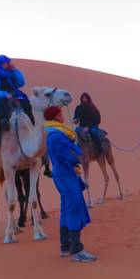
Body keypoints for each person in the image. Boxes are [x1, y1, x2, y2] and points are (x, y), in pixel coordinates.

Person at [43, 106, 96, 262]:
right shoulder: (56, 136)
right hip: (65, 175)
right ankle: (76, 249)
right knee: (73, 207)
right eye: (59, 115)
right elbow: (70, 155)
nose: (62, 117)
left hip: (65, 175)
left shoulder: (56, 133)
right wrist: (78, 157)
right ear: (54, 118)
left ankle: (65, 246)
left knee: (66, 209)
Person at [0, 55, 51, 176]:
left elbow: (21, 82)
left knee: (28, 106)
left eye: (9, 62)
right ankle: (1, 129)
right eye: (6, 63)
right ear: (0, 63)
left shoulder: (9, 73)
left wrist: (15, 69)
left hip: (16, 97)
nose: (8, 64)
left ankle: (35, 129)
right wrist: (4, 95)